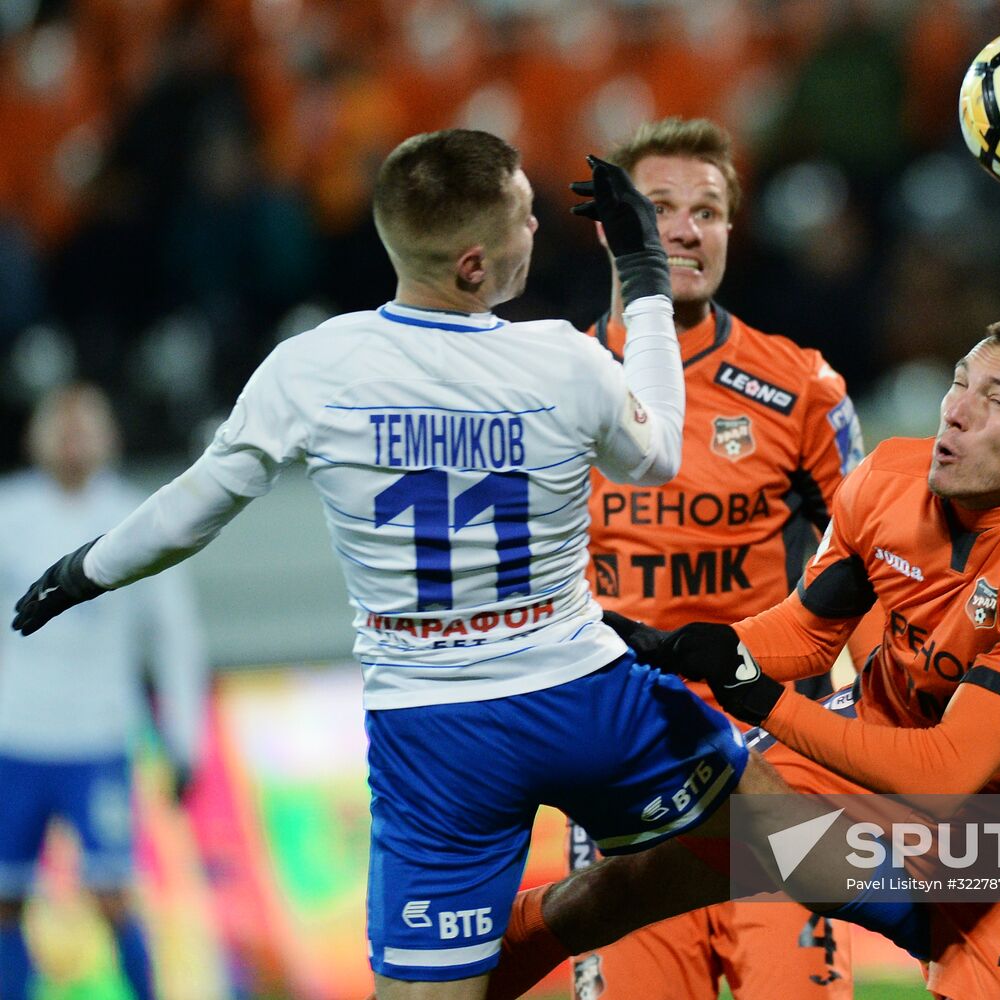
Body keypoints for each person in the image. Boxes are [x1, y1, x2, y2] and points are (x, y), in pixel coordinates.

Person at [10, 129, 780, 1000]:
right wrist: (640, 279)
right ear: (476, 267)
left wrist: (84, 570)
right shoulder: (564, 359)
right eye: (527, 218)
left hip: (433, 735)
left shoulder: (314, 366)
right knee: (792, 841)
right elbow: (659, 453)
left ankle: (522, 939)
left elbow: (194, 508)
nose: (539, 230)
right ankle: (963, 880)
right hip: (583, 698)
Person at [488, 317, 1000, 1000]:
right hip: (871, 745)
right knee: (635, 883)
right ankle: (452, 975)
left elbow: (945, 772)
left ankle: (910, 912)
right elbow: (808, 632)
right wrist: (692, 649)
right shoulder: (889, 477)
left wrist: (761, 697)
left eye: (996, 399)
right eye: (960, 382)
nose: (956, 410)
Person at [570, 116, 865, 1000]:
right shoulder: (553, 385)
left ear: (733, 231)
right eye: (658, 207)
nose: (686, 231)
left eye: (709, 210)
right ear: (611, 225)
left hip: (781, 774)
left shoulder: (802, 387)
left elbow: (881, 564)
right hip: (622, 777)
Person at [0, 384, 208, 1000]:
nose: (71, 437)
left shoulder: (138, 518)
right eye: (58, 425)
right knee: (6, 899)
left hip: (96, 739)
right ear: (33, 438)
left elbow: (174, 637)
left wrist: (184, 738)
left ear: (110, 437)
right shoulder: (8, 515)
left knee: (113, 895)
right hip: (15, 737)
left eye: (85, 425)